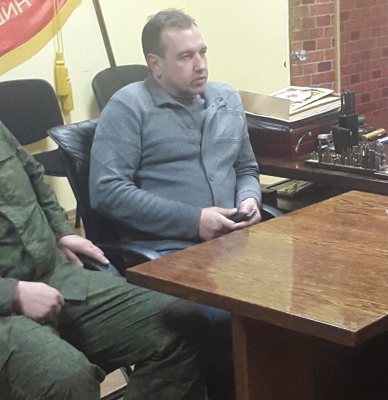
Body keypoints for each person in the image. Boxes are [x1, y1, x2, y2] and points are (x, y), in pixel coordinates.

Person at [0, 97, 214, 399]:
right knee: (65, 378)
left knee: (182, 323)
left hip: (52, 273)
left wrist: (61, 230)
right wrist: (11, 294)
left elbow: (31, 172)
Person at [89, 8, 261, 254]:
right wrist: (193, 221)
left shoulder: (227, 98)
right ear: (155, 64)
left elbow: (246, 168)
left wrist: (249, 199)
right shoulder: (128, 107)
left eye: (202, 52)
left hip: (234, 241)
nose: (200, 65)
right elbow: (107, 191)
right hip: (169, 249)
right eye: (185, 57)